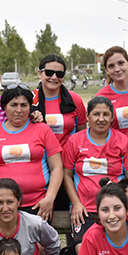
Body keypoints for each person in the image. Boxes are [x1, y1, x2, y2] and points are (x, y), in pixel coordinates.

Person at [0, 84, 63, 223]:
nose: (18, 110)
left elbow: (57, 167)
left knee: (37, 245)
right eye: (13, 105)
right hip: (1, 207)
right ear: (4, 106)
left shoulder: (43, 130)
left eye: (24, 105)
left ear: (30, 107)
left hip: (38, 205)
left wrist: (49, 199)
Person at [62, 96, 128, 245]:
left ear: (112, 118)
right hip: (85, 209)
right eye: (96, 114)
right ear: (88, 116)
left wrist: (124, 203)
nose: (101, 119)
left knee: (117, 248)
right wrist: (77, 203)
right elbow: (66, 175)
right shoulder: (75, 141)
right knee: (82, 250)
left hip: (114, 208)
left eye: (106, 114)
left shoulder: (123, 141)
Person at [32, 54, 87, 213]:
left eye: (60, 74)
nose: (54, 77)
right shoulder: (29, 100)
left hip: (68, 167)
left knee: (68, 213)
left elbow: (82, 135)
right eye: (49, 73)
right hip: (39, 168)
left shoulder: (74, 100)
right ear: (39, 73)